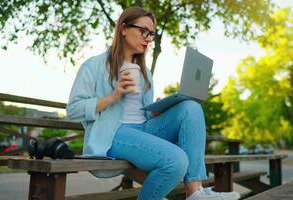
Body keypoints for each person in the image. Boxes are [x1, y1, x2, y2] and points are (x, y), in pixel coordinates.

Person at [67, 6, 240, 200]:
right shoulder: (94, 65)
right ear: (124, 29)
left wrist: (156, 110)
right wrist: (113, 97)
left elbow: (140, 113)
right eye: (144, 31)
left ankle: (195, 192)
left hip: (144, 128)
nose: (149, 38)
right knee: (176, 160)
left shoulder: (145, 72)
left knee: (191, 107)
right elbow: (73, 110)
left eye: (152, 34)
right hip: (113, 134)